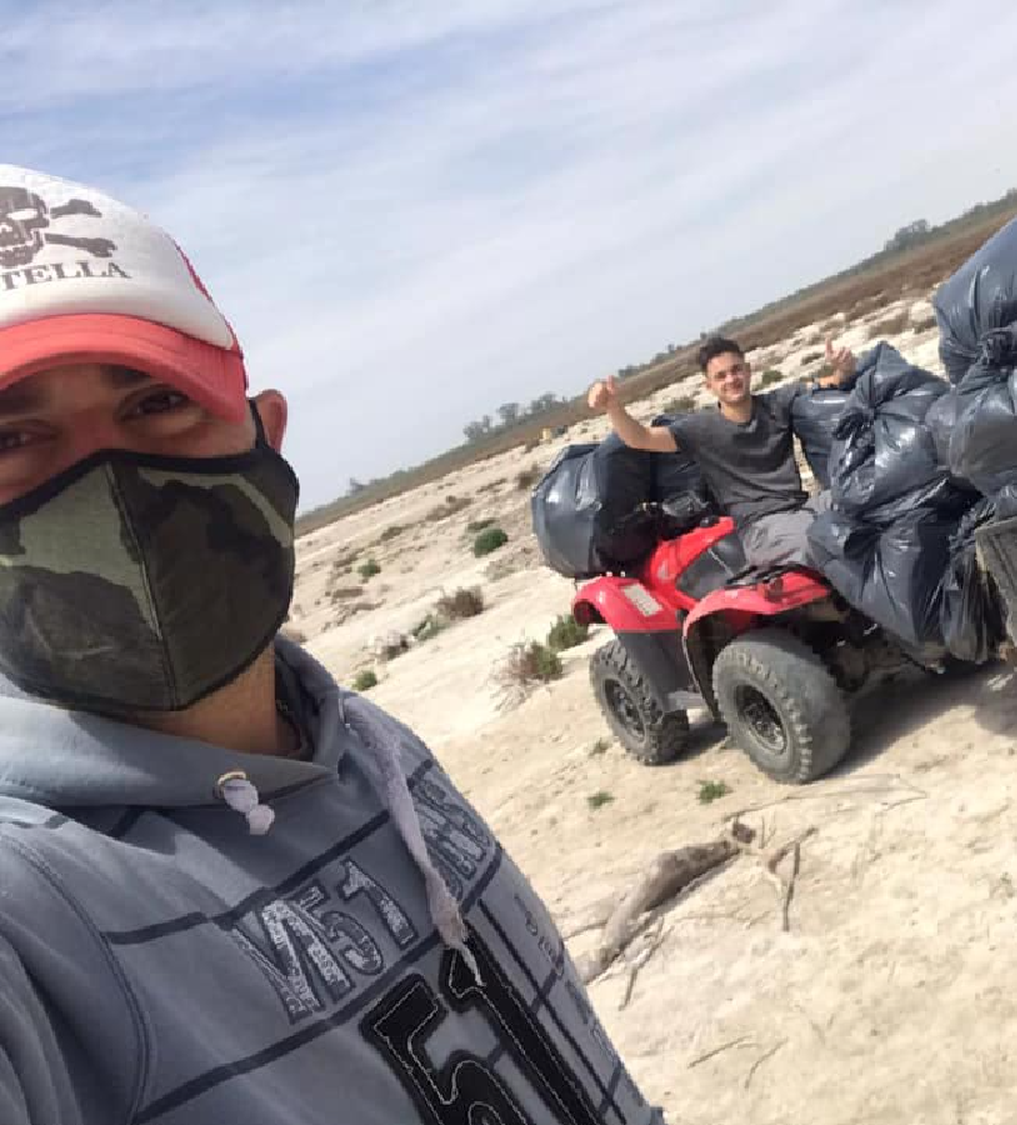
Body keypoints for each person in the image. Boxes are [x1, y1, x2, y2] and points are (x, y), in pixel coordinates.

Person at [0, 164, 662, 1125]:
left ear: (266, 435)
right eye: (13, 438)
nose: (108, 482)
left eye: (154, 404)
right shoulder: (35, 915)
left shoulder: (370, 742)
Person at [587, 334, 855, 569]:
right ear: (709, 386)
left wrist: (844, 368)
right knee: (827, 539)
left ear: (749, 371)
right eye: (721, 376)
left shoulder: (777, 403)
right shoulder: (700, 429)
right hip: (763, 529)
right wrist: (612, 406)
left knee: (863, 502)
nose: (731, 379)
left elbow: (828, 382)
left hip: (803, 507)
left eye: (736, 370)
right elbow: (640, 438)